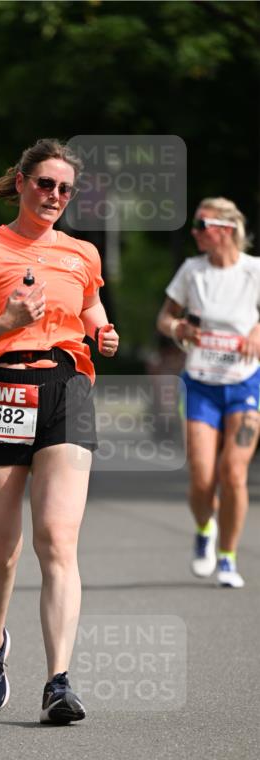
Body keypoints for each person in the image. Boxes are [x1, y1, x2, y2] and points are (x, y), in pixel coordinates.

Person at [0, 139, 119, 723]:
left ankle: (58, 681)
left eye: (64, 189)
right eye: (44, 184)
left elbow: (90, 312)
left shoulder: (81, 253)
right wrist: (7, 321)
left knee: (57, 541)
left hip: (66, 389)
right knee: (2, 550)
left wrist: (104, 334)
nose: (54, 196)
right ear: (20, 183)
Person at [157, 197, 260, 589]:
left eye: (201, 224)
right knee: (201, 478)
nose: (195, 232)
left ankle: (229, 557)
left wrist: (257, 330)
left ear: (226, 229)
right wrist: (178, 328)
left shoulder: (254, 270)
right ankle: (205, 528)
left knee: (233, 473)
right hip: (200, 383)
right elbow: (164, 318)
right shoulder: (192, 271)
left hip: (245, 384)